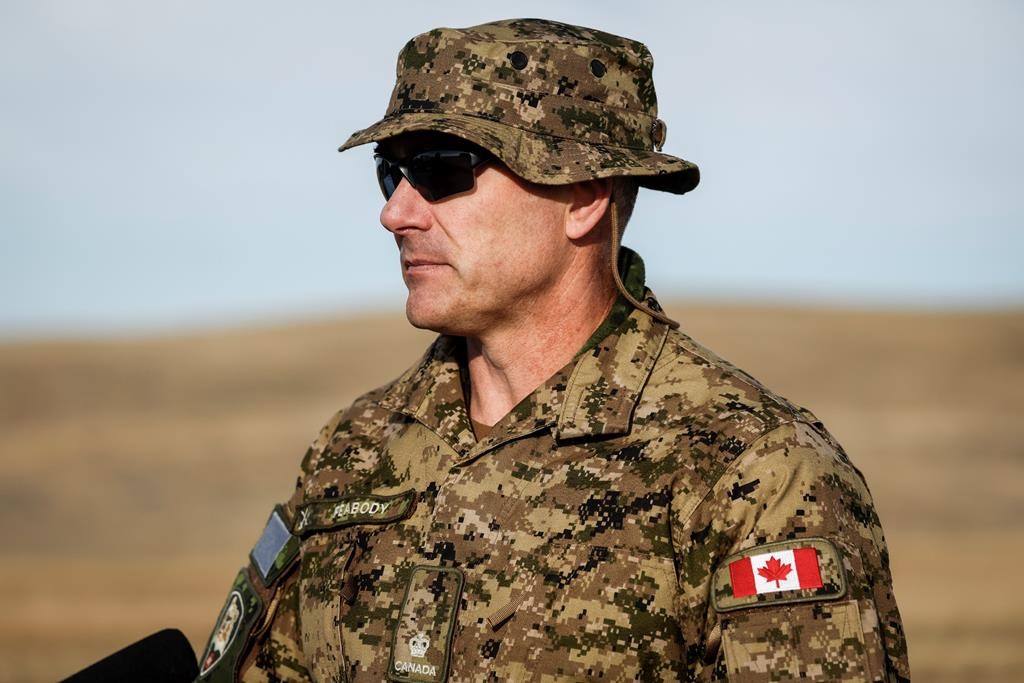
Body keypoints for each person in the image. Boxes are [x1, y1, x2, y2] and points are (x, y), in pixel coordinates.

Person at [197, 18, 910, 682]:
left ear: (585, 196)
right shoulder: (354, 449)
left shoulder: (750, 473)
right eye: (392, 171)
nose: (395, 212)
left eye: (442, 169)